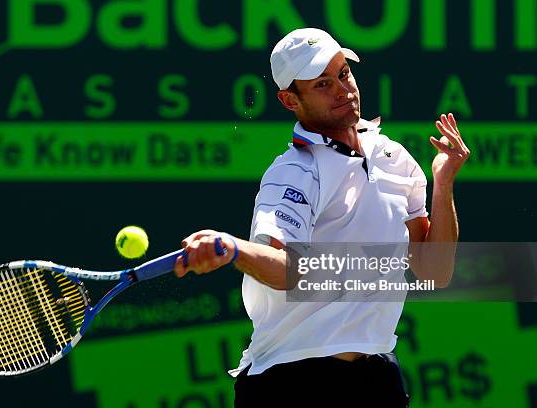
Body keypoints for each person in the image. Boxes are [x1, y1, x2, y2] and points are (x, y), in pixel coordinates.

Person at [174, 27, 470, 407]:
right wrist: (234, 249)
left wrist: (443, 186)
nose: (343, 90)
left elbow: (435, 271)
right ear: (289, 100)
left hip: (376, 377)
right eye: (322, 84)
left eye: (344, 74)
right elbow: (285, 270)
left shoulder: (394, 158)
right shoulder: (293, 173)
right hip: (292, 381)